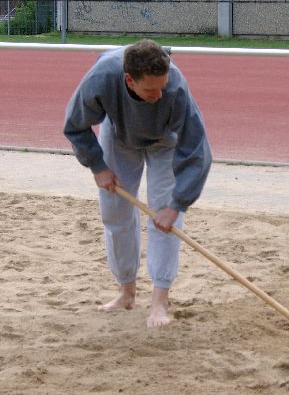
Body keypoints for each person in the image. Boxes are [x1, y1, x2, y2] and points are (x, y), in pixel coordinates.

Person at [63, 39, 212, 328]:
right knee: (115, 212)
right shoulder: (102, 77)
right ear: (129, 80)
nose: (159, 95)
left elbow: (197, 150)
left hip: (165, 140)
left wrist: (177, 204)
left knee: (165, 217)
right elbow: (75, 125)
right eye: (150, 90)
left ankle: (159, 302)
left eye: (162, 87)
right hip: (120, 133)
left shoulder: (175, 87)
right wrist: (98, 166)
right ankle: (126, 292)